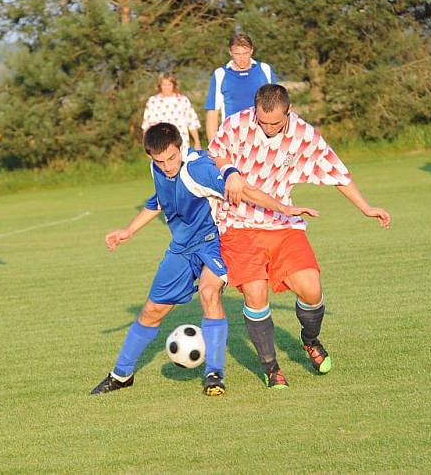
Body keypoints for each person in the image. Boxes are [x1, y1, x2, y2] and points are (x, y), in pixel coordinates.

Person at [91, 122, 316, 397]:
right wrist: (128, 230)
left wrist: (284, 208)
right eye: (160, 161)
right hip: (182, 248)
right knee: (152, 311)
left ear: (181, 147)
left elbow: (242, 190)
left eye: (172, 158)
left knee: (209, 293)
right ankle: (122, 374)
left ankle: (214, 374)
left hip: (214, 243)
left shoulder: (197, 169)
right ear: (151, 157)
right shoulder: (157, 169)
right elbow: (158, 201)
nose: (167, 166)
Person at [208, 84, 391, 389]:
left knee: (311, 289)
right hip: (238, 224)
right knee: (256, 294)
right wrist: (229, 170)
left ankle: (310, 340)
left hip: (283, 222)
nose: (267, 128)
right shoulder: (237, 124)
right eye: (262, 122)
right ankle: (270, 367)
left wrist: (366, 207)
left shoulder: (304, 135)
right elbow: (214, 154)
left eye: (275, 123)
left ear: (288, 112)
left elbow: (337, 171)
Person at [204, 33, 277, 143]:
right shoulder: (220, 74)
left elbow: (278, 104)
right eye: (237, 54)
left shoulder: (265, 69)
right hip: (232, 136)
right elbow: (212, 112)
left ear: (251, 51)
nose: (242, 58)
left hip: (263, 137)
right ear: (230, 52)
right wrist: (212, 147)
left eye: (245, 53)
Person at [141, 73, 201, 154]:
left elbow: (192, 122)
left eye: (169, 84)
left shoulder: (183, 100)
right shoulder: (153, 101)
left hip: (180, 142)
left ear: (174, 85)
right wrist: (147, 146)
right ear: (160, 85)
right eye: (164, 84)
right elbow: (147, 125)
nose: (166, 87)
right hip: (159, 143)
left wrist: (197, 141)